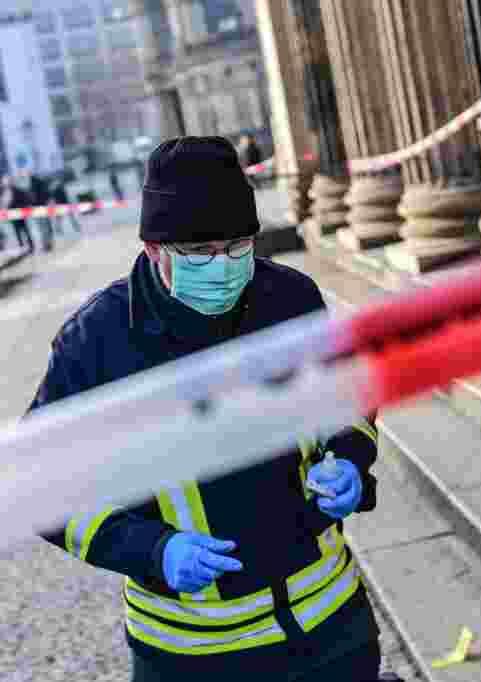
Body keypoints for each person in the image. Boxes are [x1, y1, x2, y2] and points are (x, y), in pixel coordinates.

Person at [26, 137, 384, 682]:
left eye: (237, 247)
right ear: (153, 249)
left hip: (329, 624)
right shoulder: (96, 341)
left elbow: (351, 392)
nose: (221, 267)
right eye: (198, 253)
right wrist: (150, 548)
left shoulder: (290, 299)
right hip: (193, 653)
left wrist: (350, 457)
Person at [1, 174, 35, 253]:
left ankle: (31, 246)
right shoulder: (3, 192)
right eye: (4, 181)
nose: (6, 182)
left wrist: (23, 207)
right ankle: (22, 247)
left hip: (20, 213)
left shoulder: (17, 190)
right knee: (17, 232)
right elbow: (3, 203)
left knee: (26, 231)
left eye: (7, 181)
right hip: (11, 215)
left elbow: (24, 199)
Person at [27, 171, 55, 249]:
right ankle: (47, 243)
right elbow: (46, 193)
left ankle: (46, 243)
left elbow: (31, 196)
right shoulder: (38, 182)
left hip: (37, 207)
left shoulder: (31, 184)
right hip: (41, 206)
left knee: (42, 226)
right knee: (45, 225)